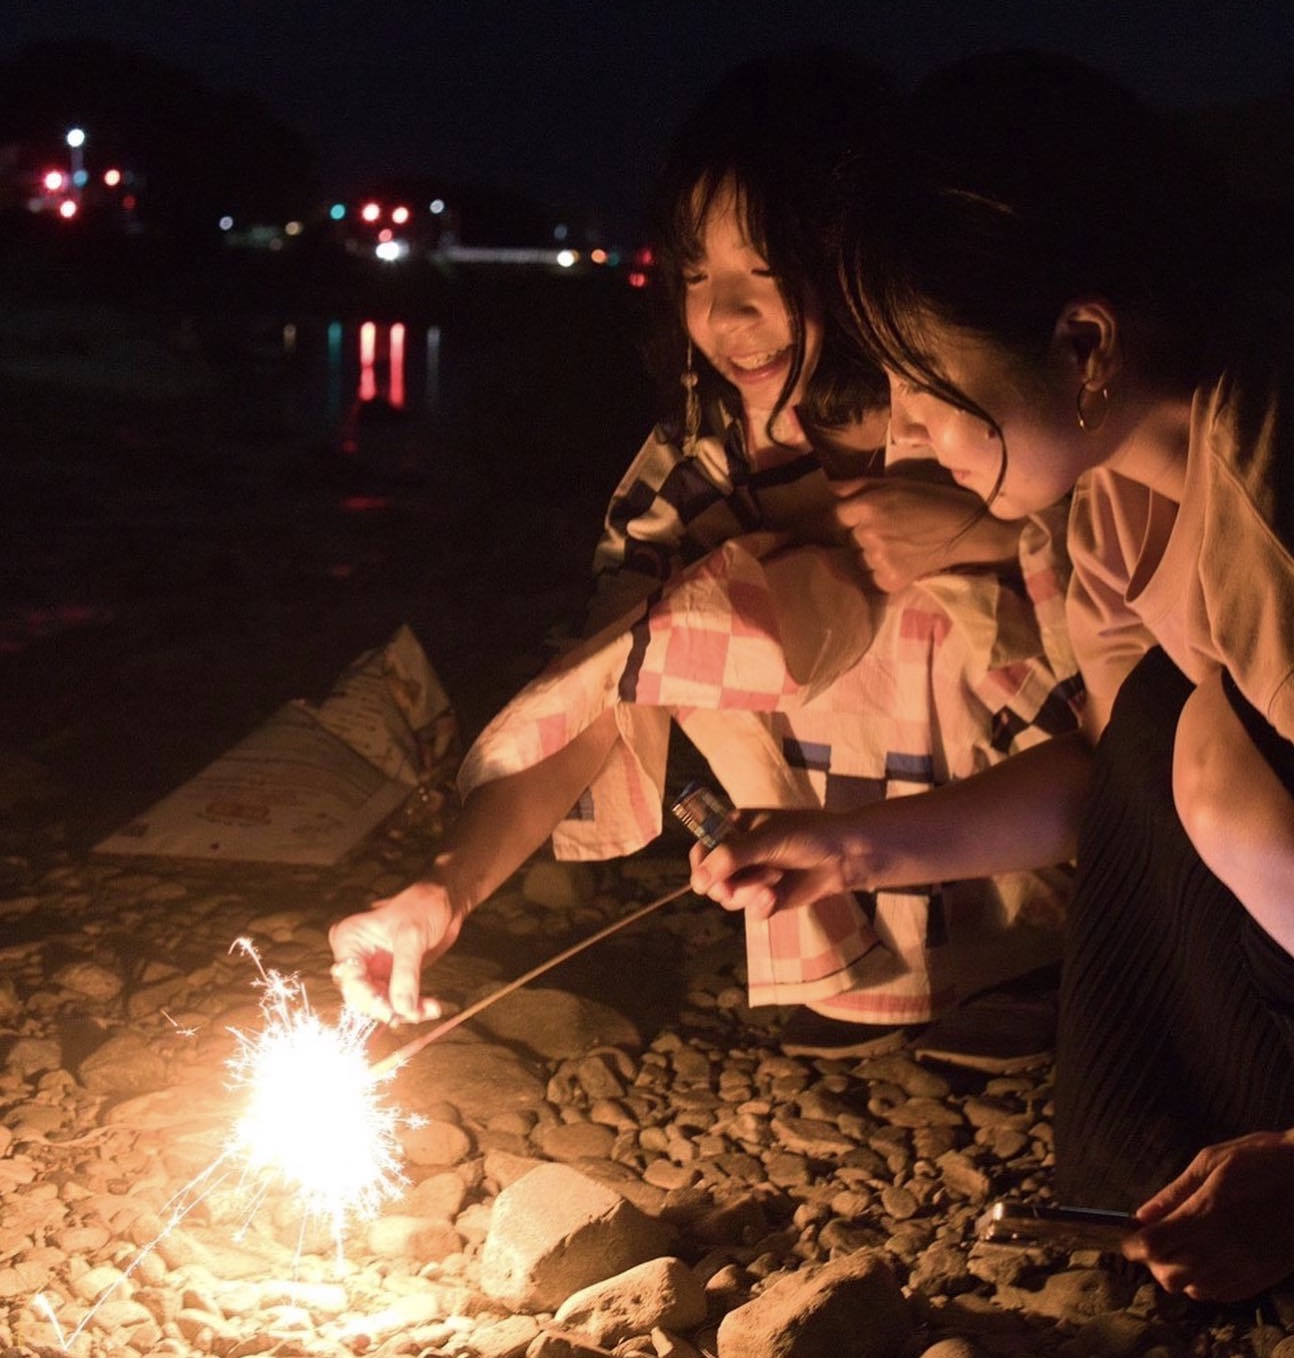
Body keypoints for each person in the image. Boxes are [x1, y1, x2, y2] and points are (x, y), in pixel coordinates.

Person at [687, 49, 1294, 1303]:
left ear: (1082, 341)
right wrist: (848, 847)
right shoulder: (1106, 503)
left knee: (1208, 765)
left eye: (920, 386)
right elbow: (1107, 789)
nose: (900, 435)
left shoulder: (1267, 506)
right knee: (1162, 745)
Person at [329, 51, 1080, 1062]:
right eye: (697, 280)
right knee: (686, 624)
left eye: (765, 281)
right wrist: (444, 888)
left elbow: (1121, 560)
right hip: (836, 864)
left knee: (913, 592)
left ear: (858, 265)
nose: (727, 318)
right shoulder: (692, 473)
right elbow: (596, 697)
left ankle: (1039, 948)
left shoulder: (957, 415)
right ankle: (849, 958)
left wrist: (982, 532)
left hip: (1058, 814)